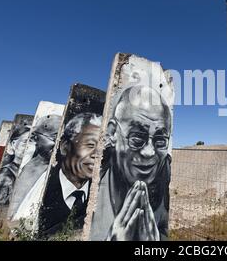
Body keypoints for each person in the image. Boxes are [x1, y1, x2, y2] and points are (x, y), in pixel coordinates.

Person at [90, 85, 172, 241]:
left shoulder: (164, 175)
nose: (149, 152)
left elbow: (163, 228)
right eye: (137, 138)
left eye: (160, 141)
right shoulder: (89, 180)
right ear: (113, 132)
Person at [38, 113, 102, 236]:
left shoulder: (104, 194)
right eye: (90, 145)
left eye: (101, 147)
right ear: (64, 147)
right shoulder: (40, 187)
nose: (97, 154)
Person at [8, 115, 62, 220]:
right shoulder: (30, 169)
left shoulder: (56, 169)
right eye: (54, 137)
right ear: (35, 137)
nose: (57, 144)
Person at [0, 124, 31, 206]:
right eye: (25, 142)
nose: (29, 147)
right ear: (13, 144)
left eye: (32, 142)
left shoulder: (26, 171)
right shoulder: (6, 175)